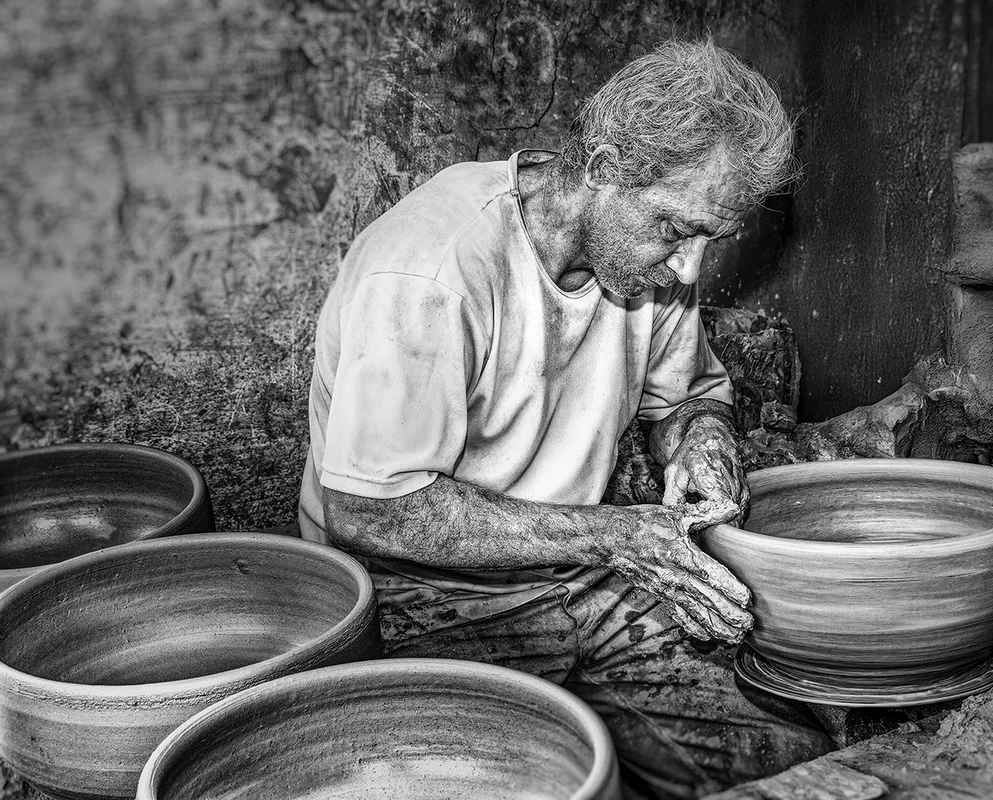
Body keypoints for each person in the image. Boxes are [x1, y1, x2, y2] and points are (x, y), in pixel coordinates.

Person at [299, 37, 832, 799]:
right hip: (414, 596)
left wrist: (702, 441)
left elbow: (688, 396)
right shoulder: (433, 270)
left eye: (709, 240)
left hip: (575, 573)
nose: (690, 269)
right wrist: (614, 536)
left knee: (794, 766)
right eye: (678, 229)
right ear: (605, 167)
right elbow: (371, 509)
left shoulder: (651, 271)